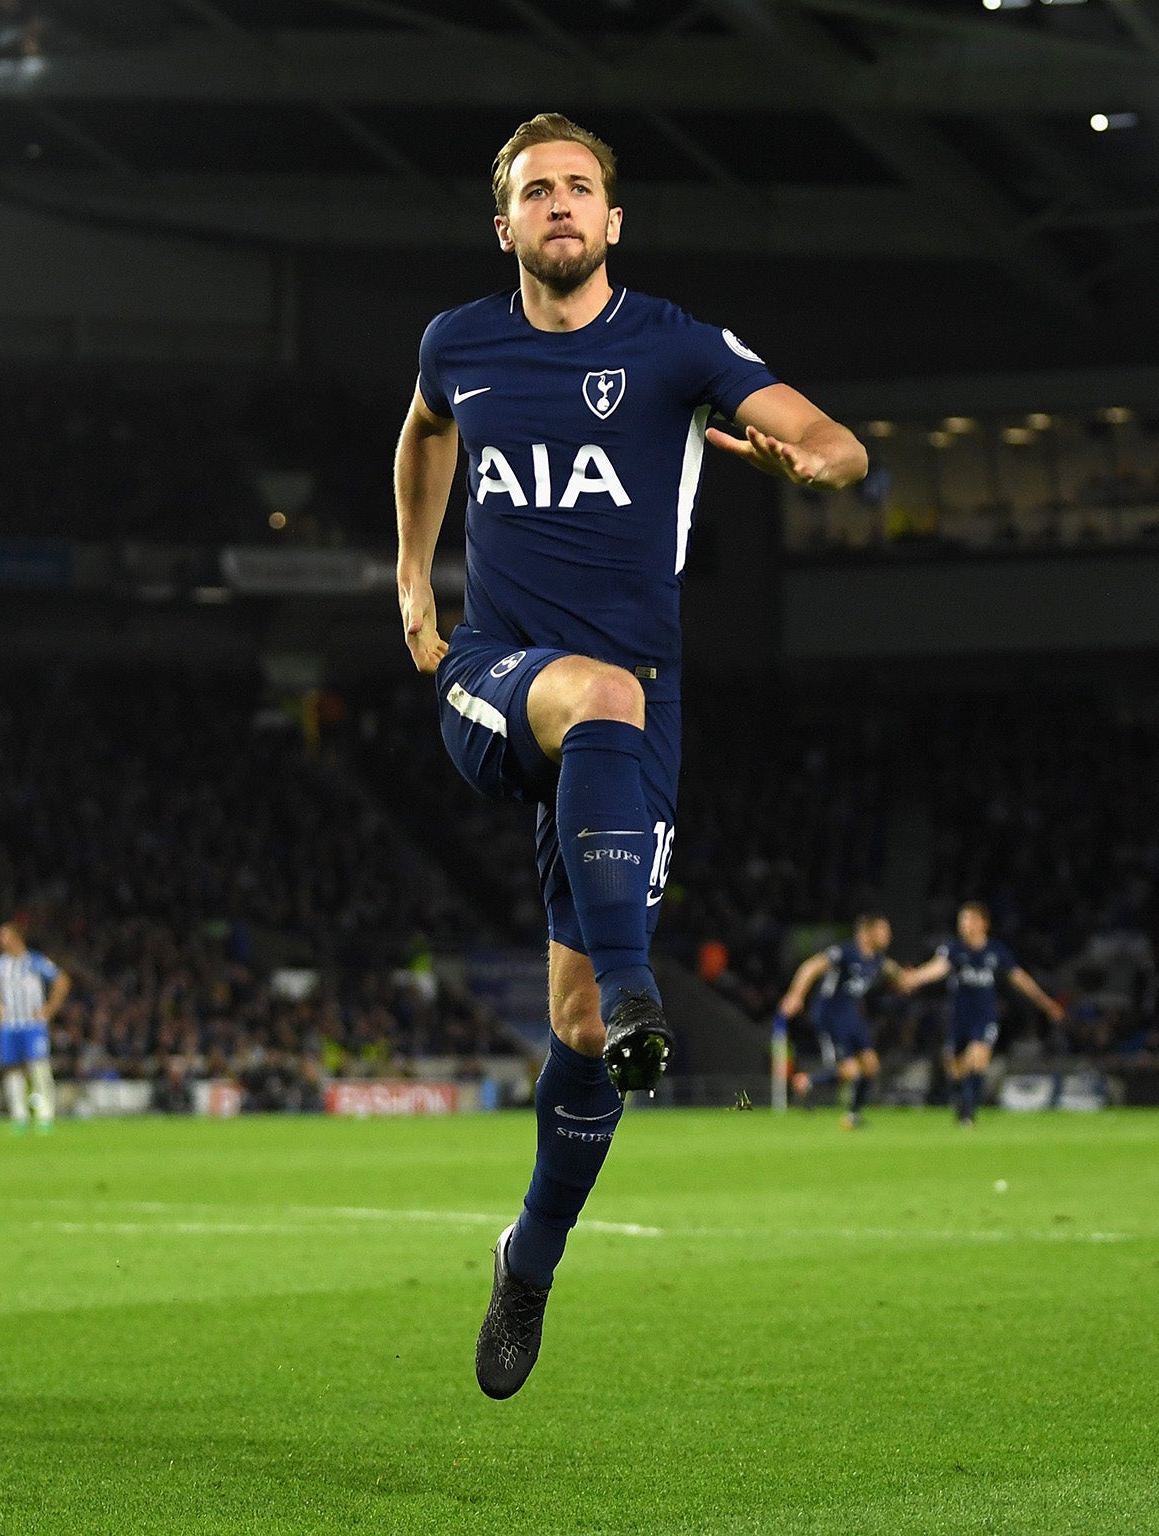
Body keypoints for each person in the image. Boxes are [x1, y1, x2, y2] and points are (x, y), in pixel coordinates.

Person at [393, 113, 866, 1400]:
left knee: (579, 1026)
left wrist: (812, 461)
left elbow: (833, 438)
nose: (558, 205)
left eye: (578, 189)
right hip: (497, 681)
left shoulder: (674, 346)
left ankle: (527, 1258)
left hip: (632, 720)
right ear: (505, 226)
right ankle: (640, 985)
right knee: (593, 702)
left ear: (612, 222)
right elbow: (424, 431)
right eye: (534, 190)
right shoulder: (460, 343)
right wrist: (412, 590)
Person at [898, 901, 1065, 1126]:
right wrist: (915, 977)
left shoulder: (996, 952)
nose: (964, 925)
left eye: (969, 920)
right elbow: (937, 968)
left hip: (984, 1017)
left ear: (983, 923)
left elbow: (1020, 979)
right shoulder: (953, 949)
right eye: (962, 920)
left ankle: (968, 1115)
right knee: (955, 1068)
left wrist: (1045, 1003)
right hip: (958, 1018)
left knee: (976, 1059)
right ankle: (961, 1102)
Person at [779, 914, 905, 1130]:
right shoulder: (844, 952)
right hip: (829, 1015)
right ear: (867, 932)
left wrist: (907, 979)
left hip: (851, 1016)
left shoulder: (876, 958)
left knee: (871, 1067)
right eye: (883, 930)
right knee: (851, 1071)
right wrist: (796, 995)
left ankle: (853, 1116)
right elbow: (811, 967)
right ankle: (807, 1082)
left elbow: (894, 971)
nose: (888, 935)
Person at [0, 922, 69, 1135]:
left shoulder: (34, 961)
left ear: (15, 937)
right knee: (12, 1070)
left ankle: (45, 1116)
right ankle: (19, 1116)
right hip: (9, 1025)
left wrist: (49, 1009)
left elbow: (62, 981)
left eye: (3, 936)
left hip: (32, 1026)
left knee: (38, 1068)